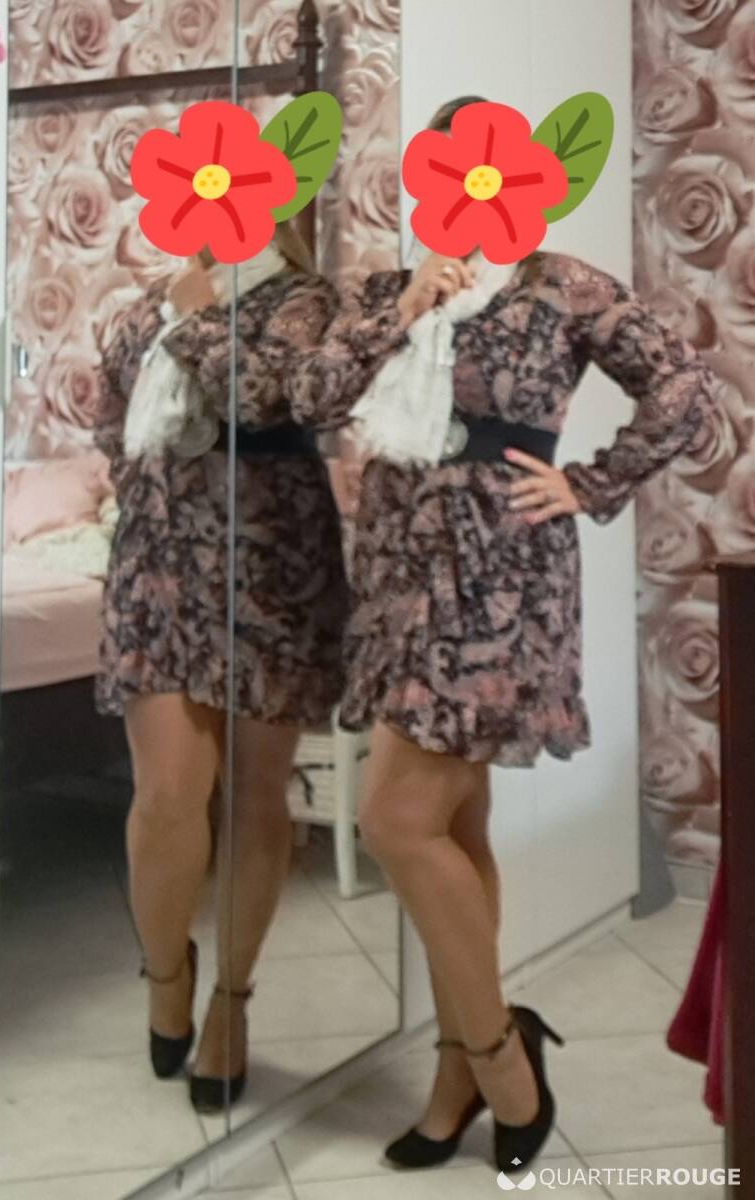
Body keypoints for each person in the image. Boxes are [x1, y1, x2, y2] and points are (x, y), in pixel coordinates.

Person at [287, 97, 719, 1174]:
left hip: (499, 585)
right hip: (396, 580)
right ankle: (459, 1075)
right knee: (455, 826)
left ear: (520, 176)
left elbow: (682, 387)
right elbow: (310, 394)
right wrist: (402, 310)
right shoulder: (393, 290)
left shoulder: (559, 285)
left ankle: (500, 1058)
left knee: (395, 820)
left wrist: (589, 482)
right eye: (443, 168)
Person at [95, 222, 347, 1113]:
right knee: (167, 795)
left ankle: (231, 1001)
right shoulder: (145, 306)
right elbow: (111, 427)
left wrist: (202, 321)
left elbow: (273, 398)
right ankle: (167, 970)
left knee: (253, 793)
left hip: (273, 564)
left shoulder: (308, 302)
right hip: (161, 563)